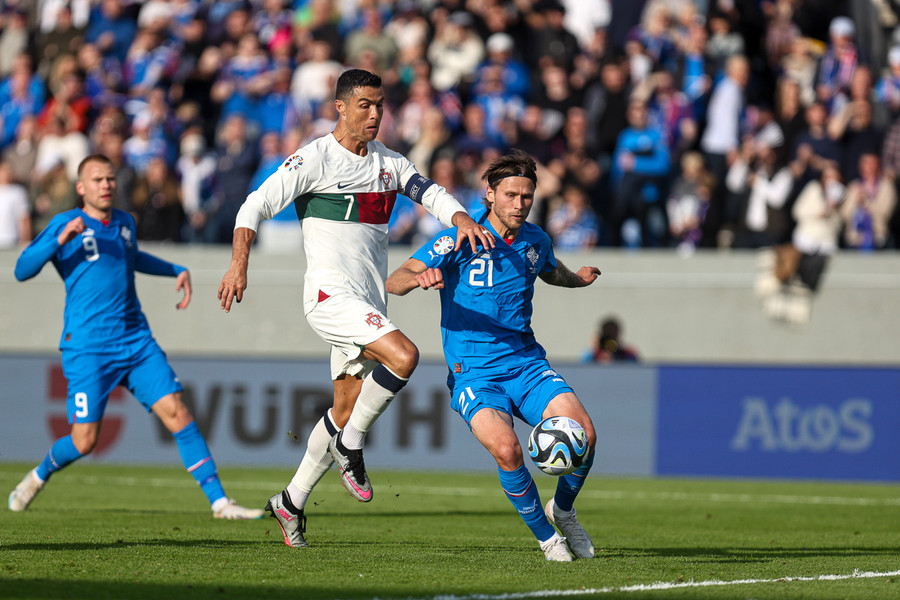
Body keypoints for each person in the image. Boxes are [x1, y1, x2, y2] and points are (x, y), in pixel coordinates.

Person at [217, 69, 491, 548]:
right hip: (329, 295)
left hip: (367, 301)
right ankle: (352, 446)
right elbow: (253, 206)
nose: (375, 113)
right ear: (340, 108)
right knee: (404, 356)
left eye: (380, 105)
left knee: (344, 410)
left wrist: (461, 217)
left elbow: (430, 193)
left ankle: (291, 501)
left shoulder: (389, 162)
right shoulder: (314, 159)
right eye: (364, 104)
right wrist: (239, 264)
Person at [9, 154, 263, 520]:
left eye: (110, 178)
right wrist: (58, 241)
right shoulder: (65, 223)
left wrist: (174, 269)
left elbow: (132, 258)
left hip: (135, 341)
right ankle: (38, 476)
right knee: (84, 441)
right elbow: (21, 270)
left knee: (177, 412)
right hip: (88, 347)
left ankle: (220, 503)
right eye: (97, 179)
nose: (106, 185)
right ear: (81, 188)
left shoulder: (125, 221)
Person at [385, 150, 600, 562]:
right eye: (510, 195)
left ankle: (563, 511)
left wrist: (577, 279)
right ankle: (548, 539)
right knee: (507, 450)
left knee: (585, 435)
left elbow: (550, 270)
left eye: (526, 197)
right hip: (474, 373)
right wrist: (418, 277)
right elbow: (396, 279)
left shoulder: (536, 240)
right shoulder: (460, 237)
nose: (519, 204)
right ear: (490, 194)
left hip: (526, 364)